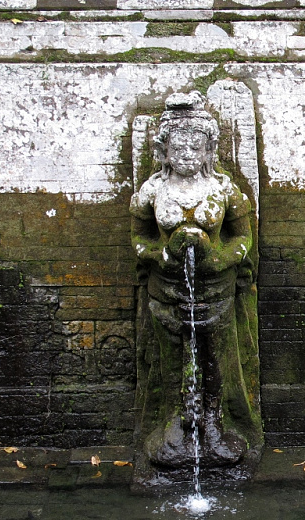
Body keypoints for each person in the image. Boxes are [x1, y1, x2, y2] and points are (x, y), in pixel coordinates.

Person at [130, 92, 261, 469]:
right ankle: (176, 420)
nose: (187, 153)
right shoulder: (152, 192)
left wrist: (222, 257)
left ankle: (213, 423)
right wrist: (157, 254)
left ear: (209, 151)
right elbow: (138, 235)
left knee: (216, 359)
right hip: (167, 291)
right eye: (178, 146)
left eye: (196, 146)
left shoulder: (224, 191)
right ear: (163, 150)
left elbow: (243, 236)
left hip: (215, 290)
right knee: (172, 357)